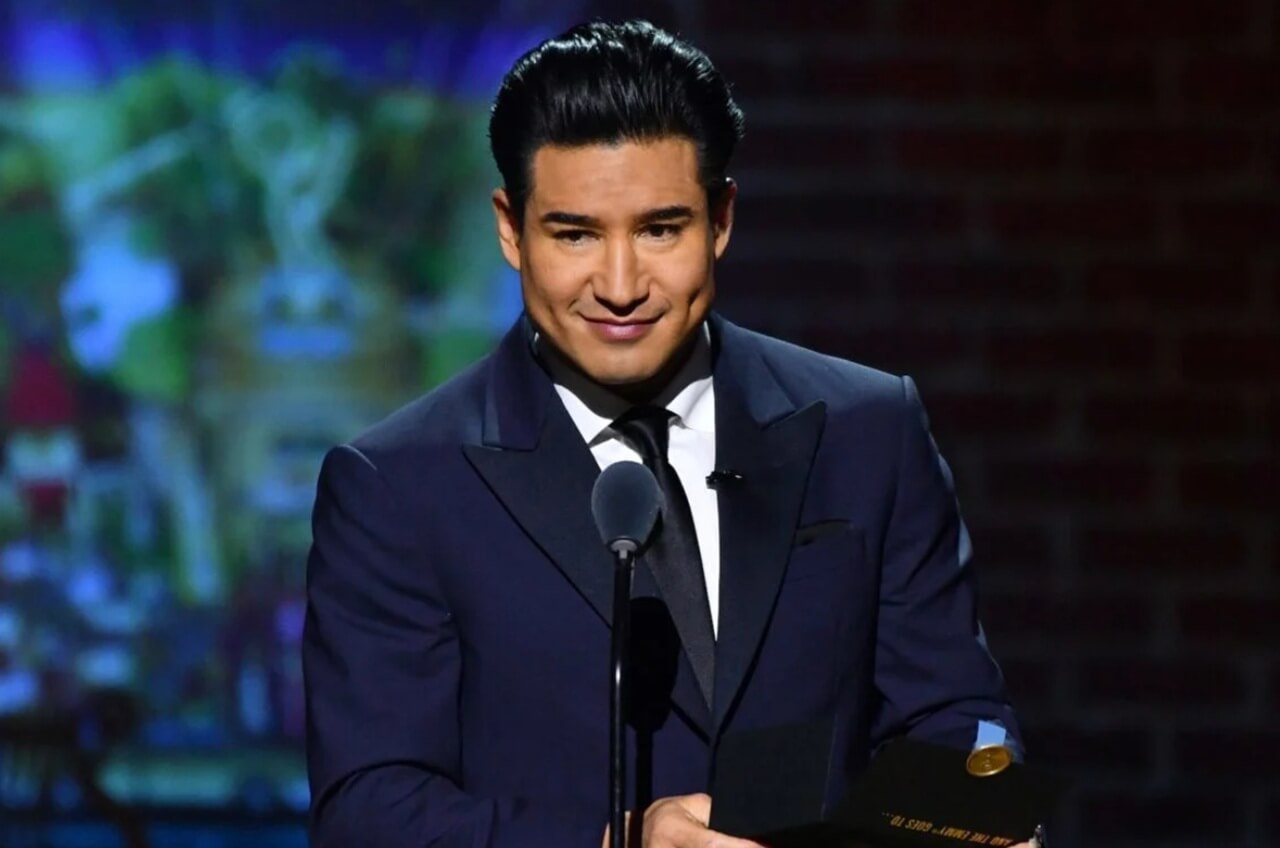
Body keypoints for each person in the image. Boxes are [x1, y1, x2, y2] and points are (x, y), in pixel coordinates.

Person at [304, 19, 1032, 848]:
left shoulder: (867, 430)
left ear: (720, 219)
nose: (621, 285)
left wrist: (980, 820)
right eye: (575, 234)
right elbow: (369, 810)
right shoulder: (398, 487)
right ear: (511, 229)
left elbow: (961, 722)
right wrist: (618, 842)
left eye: (660, 229)